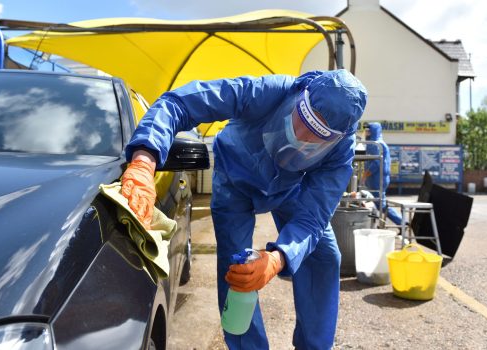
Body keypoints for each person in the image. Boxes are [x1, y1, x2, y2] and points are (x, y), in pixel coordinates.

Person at [121, 69, 367, 349]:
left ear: (338, 138)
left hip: (289, 188)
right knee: (237, 271)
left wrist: (278, 257)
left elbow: (313, 218)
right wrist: (144, 158)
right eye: (302, 121)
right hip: (234, 180)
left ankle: (315, 345)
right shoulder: (265, 91)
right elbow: (179, 102)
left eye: (316, 138)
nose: (300, 138)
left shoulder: (341, 151)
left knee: (324, 256)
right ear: (300, 95)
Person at [362, 122, 403, 225]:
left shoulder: (377, 144)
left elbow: (376, 163)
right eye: (366, 131)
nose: (366, 133)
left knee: (380, 203)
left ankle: (402, 223)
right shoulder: (373, 143)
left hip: (377, 179)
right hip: (374, 179)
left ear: (374, 131)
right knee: (378, 202)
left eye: (368, 131)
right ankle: (399, 223)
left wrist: (365, 175)